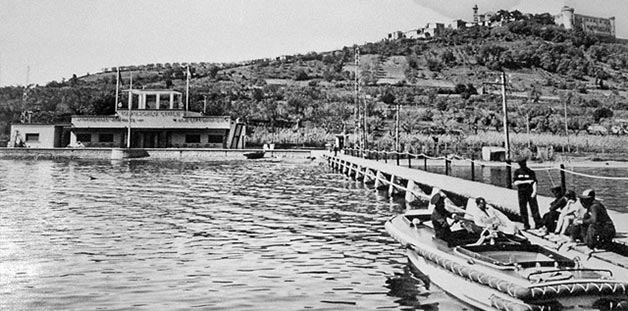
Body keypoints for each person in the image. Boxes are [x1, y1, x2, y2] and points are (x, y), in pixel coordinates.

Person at [513, 157, 541, 229]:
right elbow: (516, 182)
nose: (523, 165)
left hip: (530, 191)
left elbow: (534, 182)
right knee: (523, 209)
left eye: (524, 163)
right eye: (521, 164)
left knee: (534, 208)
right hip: (521, 192)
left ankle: (538, 223)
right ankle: (526, 224)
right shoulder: (517, 172)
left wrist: (534, 191)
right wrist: (527, 181)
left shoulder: (530, 172)